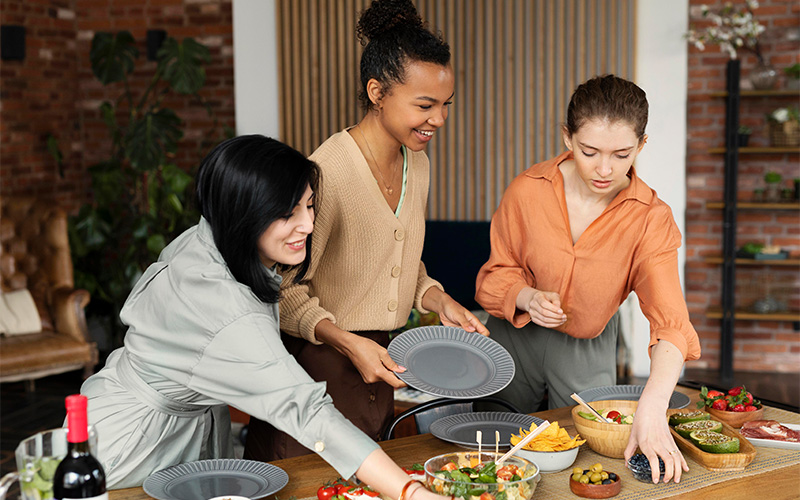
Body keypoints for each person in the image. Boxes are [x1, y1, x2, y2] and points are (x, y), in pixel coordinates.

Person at [78, 135, 445, 500]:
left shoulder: (213, 236)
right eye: (287, 213)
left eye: (309, 206)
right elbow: (306, 411)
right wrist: (412, 493)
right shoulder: (224, 309)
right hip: (134, 444)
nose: (307, 225)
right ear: (243, 214)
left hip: (175, 423)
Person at [244, 0, 488, 462]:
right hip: (318, 367)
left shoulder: (419, 163)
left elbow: (399, 263)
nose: (439, 119)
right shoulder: (324, 173)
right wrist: (347, 342)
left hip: (383, 362)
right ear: (377, 92)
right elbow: (283, 289)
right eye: (425, 105)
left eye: (445, 105)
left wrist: (440, 301)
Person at [474, 75, 701, 484]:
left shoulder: (651, 218)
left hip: (589, 347)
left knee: (590, 462)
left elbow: (671, 323)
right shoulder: (528, 190)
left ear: (642, 145)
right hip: (514, 339)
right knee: (493, 452)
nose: (604, 169)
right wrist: (525, 296)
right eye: (589, 151)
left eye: (621, 154)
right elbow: (493, 276)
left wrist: (653, 404)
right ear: (567, 137)